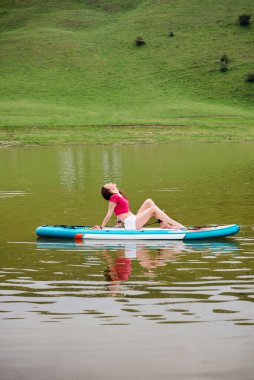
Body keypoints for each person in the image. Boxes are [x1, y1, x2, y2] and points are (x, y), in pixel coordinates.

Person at [93, 182, 185, 230]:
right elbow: (109, 213)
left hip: (133, 219)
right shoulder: (114, 197)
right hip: (131, 223)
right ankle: (177, 225)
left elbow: (119, 211)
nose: (110, 182)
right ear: (109, 189)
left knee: (149, 201)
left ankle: (163, 224)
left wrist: (119, 224)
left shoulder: (119, 195)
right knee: (153, 209)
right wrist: (102, 227)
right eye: (107, 184)